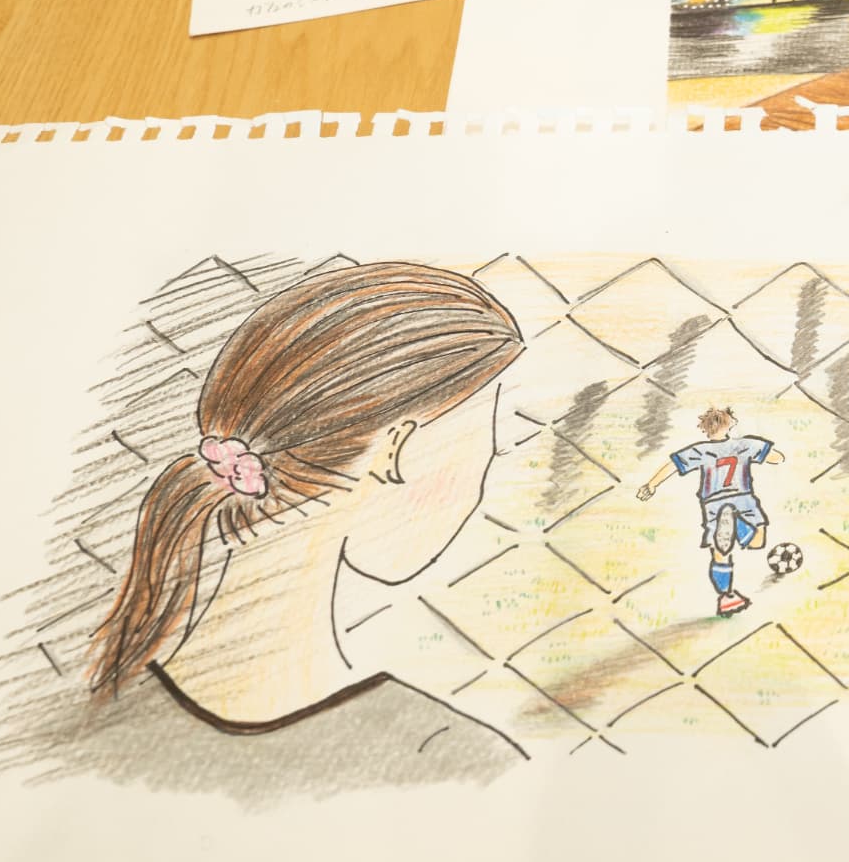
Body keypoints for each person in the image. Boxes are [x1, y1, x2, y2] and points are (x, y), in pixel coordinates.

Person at [88, 262, 527, 746]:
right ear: (395, 450)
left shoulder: (94, 721)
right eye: (484, 445)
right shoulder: (438, 747)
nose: (480, 485)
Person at [637, 405, 784, 617]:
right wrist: (770, 454)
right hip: (743, 499)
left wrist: (651, 485)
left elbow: (672, 465)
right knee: (757, 541)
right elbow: (777, 457)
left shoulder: (699, 450)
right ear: (729, 424)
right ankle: (739, 525)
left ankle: (727, 597)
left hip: (713, 504)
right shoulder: (744, 444)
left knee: (720, 552)